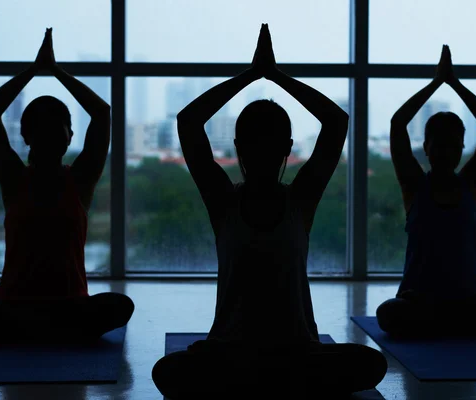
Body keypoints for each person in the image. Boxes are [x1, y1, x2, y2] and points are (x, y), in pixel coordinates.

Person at [152, 24, 387, 400]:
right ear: (243, 147)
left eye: (268, 143)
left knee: (373, 364)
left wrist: (270, 75)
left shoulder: (289, 201)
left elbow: (337, 123)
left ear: (284, 147)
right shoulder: (232, 202)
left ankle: (254, 384)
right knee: (168, 371)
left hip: (282, 355)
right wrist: (257, 74)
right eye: (256, 143)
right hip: (257, 356)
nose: (262, 152)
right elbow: (188, 123)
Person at [0, 28, 134, 344]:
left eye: (56, 127)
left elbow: (102, 113)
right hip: (23, 309)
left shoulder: (78, 180)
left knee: (121, 305)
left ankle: (27, 334)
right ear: (25, 136)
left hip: (59, 309)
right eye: (42, 128)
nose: (50, 135)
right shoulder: (14, 177)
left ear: (69, 136)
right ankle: (50, 333)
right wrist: (37, 70)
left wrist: (52, 70)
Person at [376, 45, 476, 337]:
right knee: (388, 313)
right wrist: (436, 82)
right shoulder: (414, 185)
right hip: (421, 303)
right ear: (426, 148)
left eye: (453, 145)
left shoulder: (471, 184)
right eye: (439, 144)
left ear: (462, 148)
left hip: (465, 304)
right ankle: (459, 324)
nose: (446, 151)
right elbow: (398, 124)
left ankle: (446, 323)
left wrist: (455, 83)